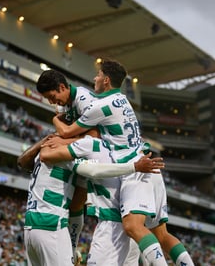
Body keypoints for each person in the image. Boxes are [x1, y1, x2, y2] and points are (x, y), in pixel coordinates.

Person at [44, 59, 194, 265]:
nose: (94, 79)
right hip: (147, 166)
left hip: (135, 169)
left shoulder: (99, 105)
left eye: (97, 75)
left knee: (132, 226)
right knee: (161, 235)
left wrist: (56, 119)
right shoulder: (121, 100)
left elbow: (69, 132)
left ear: (106, 80)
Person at [17, 133, 162, 266]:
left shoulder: (50, 146)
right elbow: (93, 171)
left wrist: (42, 142)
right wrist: (134, 167)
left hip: (30, 228)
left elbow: (22, 161)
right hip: (51, 224)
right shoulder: (71, 151)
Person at [36, 69, 98, 262]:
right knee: (74, 203)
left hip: (99, 153)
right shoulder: (65, 103)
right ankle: (71, 249)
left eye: (52, 97)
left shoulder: (84, 100)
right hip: (82, 150)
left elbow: (95, 137)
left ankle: (74, 248)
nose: (52, 102)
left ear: (62, 87)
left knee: (79, 200)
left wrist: (58, 127)